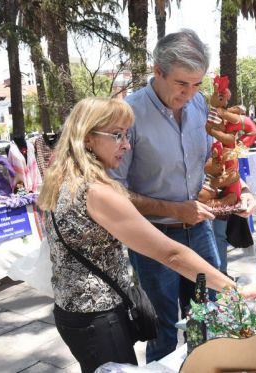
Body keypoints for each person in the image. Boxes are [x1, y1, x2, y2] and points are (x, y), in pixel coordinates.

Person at [38, 97, 236, 373]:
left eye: (127, 135)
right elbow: (171, 253)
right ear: (88, 138)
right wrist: (232, 289)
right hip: (99, 318)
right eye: (117, 135)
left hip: (74, 312)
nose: (127, 145)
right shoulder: (98, 191)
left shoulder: (65, 180)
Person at [110, 30, 256, 362]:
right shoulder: (127, 115)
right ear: (157, 71)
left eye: (197, 85)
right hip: (152, 238)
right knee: (163, 330)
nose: (189, 94)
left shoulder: (200, 105)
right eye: (181, 84)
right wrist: (174, 209)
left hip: (200, 230)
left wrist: (240, 192)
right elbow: (112, 190)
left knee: (209, 321)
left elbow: (215, 160)